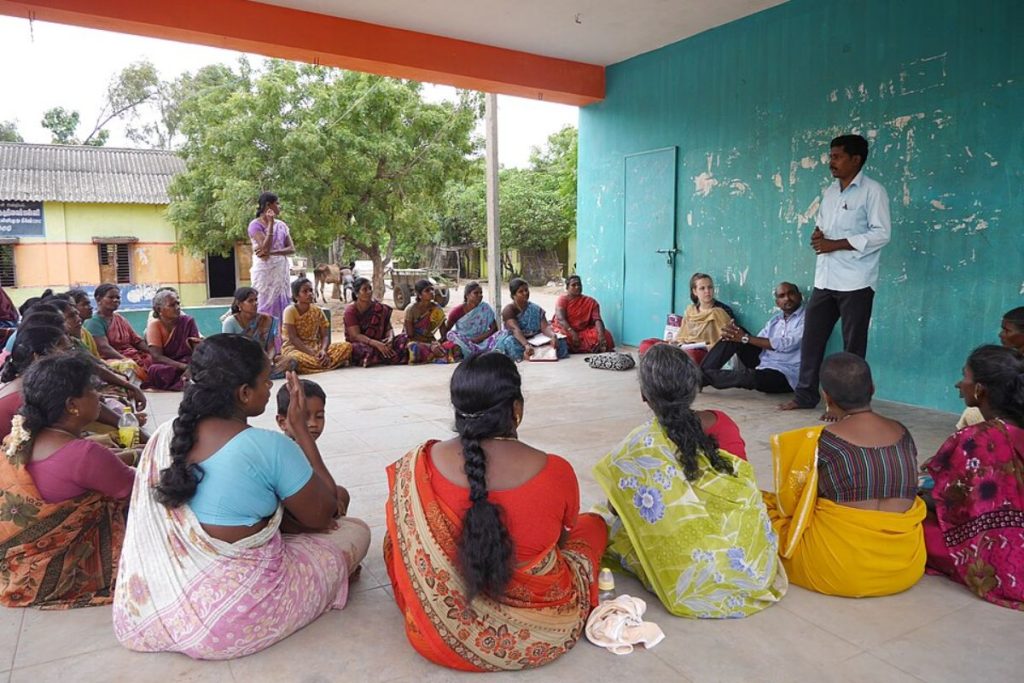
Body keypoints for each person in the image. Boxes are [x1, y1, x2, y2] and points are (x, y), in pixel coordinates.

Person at [113, 334, 371, 660]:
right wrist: (301, 430)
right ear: (244, 393)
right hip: (229, 624)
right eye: (265, 381)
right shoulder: (269, 446)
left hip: (151, 610)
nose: (269, 388)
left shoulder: (165, 434)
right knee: (356, 529)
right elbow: (325, 515)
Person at [384, 352, 607, 671]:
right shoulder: (556, 471)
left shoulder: (417, 465)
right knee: (593, 525)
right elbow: (558, 541)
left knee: (395, 541)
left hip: (434, 639)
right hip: (544, 636)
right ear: (516, 409)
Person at [593, 344, 786, 617]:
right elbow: (740, 486)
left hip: (691, 570)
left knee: (602, 521)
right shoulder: (724, 423)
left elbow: (617, 509)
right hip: (749, 559)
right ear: (693, 388)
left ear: (643, 395)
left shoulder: (639, 447)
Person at [763, 353, 925, 597]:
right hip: (904, 566)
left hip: (838, 570)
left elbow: (793, 505)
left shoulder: (820, 440)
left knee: (763, 504)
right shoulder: (902, 432)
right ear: (872, 388)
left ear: (826, 396)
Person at [0, 352, 133, 607]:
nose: (100, 397)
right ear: (72, 405)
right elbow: (136, 489)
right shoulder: (85, 455)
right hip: (53, 567)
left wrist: (124, 456)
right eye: (93, 390)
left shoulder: (22, 437)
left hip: (16, 566)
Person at [781, 134, 892, 419]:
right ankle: (805, 395)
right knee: (812, 339)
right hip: (825, 278)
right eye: (831, 156)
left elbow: (882, 233)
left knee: (853, 347)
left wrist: (837, 244)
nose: (831, 162)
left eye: (838, 156)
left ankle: (849, 405)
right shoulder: (830, 192)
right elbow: (823, 227)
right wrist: (818, 236)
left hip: (857, 280)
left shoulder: (873, 191)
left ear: (856, 159)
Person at [922, 345, 1024, 609]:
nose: (959, 385)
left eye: (964, 377)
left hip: (1002, 554)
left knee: (908, 521)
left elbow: (952, 505)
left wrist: (915, 497)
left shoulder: (975, 439)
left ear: (980, 389)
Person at [702, 282, 805, 394]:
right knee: (734, 334)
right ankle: (697, 376)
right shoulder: (775, 320)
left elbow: (787, 344)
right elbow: (757, 341)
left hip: (785, 375)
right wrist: (737, 335)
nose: (787, 298)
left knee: (746, 377)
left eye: (791, 294)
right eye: (782, 296)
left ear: (799, 296)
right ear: (777, 303)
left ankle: (697, 377)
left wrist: (745, 338)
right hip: (764, 363)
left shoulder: (808, 318)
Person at [275, 379, 349, 515]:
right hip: (288, 513)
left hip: (306, 501)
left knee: (342, 494)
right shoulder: (286, 450)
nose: (313, 423)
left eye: (319, 416)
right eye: (303, 417)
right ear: (282, 422)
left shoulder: (301, 445)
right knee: (337, 495)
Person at [0, 326, 74, 438]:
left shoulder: (28, 384)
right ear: (37, 358)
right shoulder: (30, 395)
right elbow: (44, 445)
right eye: (66, 352)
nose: (73, 358)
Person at [956, 307, 1024, 428]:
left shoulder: (1010, 364)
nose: (1001, 334)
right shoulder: (1010, 359)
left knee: (971, 415)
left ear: (979, 388)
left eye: (1007, 330)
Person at [281, 277, 352, 374]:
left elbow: (325, 335)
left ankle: (318, 364)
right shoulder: (290, 311)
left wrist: (323, 351)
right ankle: (328, 363)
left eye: (311, 290)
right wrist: (312, 353)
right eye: (305, 291)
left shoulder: (317, 311)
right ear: (296, 296)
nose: (309, 294)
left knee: (347, 346)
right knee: (294, 359)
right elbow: (293, 338)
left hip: (316, 348)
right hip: (295, 349)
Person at [83, 284, 152, 381]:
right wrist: (125, 358)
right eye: (111, 297)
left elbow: (136, 340)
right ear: (99, 299)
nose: (116, 300)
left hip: (131, 355)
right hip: (110, 359)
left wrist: (152, 353)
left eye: (118, 297)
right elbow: (104, 348)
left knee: (152, 360)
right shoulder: (94, 322)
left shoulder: (120, 318)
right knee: (128, 366)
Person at [247, 192, 295, 331]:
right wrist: (271, 224)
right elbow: (264, 247)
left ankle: (282, 341)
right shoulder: (255, 225)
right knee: (264, 301)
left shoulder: (282, 225)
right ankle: (265, 338)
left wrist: (274, 252)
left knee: (282, 302)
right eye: (277, 203)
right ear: (268, 205)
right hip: (264, 272)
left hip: (281, 270)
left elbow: (291, 248)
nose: (279, 207)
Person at [222, 286, 292, 378]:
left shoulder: (266, 320)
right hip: (240, 362)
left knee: (291, 361)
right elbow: (227, 349)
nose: (255, 303)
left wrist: (269, 359)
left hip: (262, 361)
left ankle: (258, 375)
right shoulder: (230, 322)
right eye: (250, 301)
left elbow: (270, 348)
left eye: (256, 300)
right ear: (239, 304)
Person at [494, 278, 568, 361]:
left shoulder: (536, 309)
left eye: (526, 290)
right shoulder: (508, 310)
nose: (525, 293)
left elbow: (545, 327)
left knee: (561, 342)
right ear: (513, 296)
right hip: (518, 338)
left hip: (535, 338)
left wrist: (552, 336)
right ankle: (532, 354)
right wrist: (526, 345)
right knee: (510, 342)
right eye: (521, 291)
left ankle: (536, 354)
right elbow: (515, 330)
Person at [144, 289, 201, 391]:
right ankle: (186, 380)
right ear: (159, 309)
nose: (177, 308)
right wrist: (183, 367)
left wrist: (191, 366)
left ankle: (189, 378)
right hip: (170, 365)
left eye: (178, 304)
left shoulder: (188, 321)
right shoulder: (154, 325)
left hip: (188, 361)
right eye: (172, 305)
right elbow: (157, 357)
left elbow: (197, 349)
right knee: (155, 370)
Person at [344, 277, 408, 367]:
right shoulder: (350, 311)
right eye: (365, 289)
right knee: (358, 349)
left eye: (370, 288)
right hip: (364, 343)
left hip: (381, 342)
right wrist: (376, 344)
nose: (369, 291)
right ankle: (389, 356)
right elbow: (355, 335)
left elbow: (388, 328)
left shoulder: (379, 308)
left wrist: (390, 338)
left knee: (404, 338)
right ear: (356, 293)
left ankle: (380, 356)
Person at [445, 281, 509, 360]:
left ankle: (484, 351)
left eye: (481, 293)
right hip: (465, 343)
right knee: (451, 334)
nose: (480, 295)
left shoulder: (485, 308)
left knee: (504, 333)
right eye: (476, 293)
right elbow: (447, 329)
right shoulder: (457, 311)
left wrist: (478, 339)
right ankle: (470, 353)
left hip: (483, 341)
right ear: (467, 295)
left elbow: (494, 328)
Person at [551, 275, 615, 353]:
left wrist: (601, 335)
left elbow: (597, 319)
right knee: (560, 338)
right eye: (573, 285)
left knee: (606, 334)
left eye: (579, 285)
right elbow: (560, 319)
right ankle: (589, 347)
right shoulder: (563, 300)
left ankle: (586, 347)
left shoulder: (591, 302)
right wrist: (573, 333)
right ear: (567, 288)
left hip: (583, 331)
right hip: (566, 329)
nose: (577, 287)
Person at [404, 279, 457, 364]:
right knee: (414, 347)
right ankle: (434, 354)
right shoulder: (411, 309)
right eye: (427, 290)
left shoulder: (437, 308)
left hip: (430, 341)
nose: (431, 292)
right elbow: (410, 334)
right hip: (414, 340)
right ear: (419, 295)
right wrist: (430, 345)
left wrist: (439, 342)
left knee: (453, 345)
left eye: (432, 289)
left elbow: (443, 332)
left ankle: (433, 353)